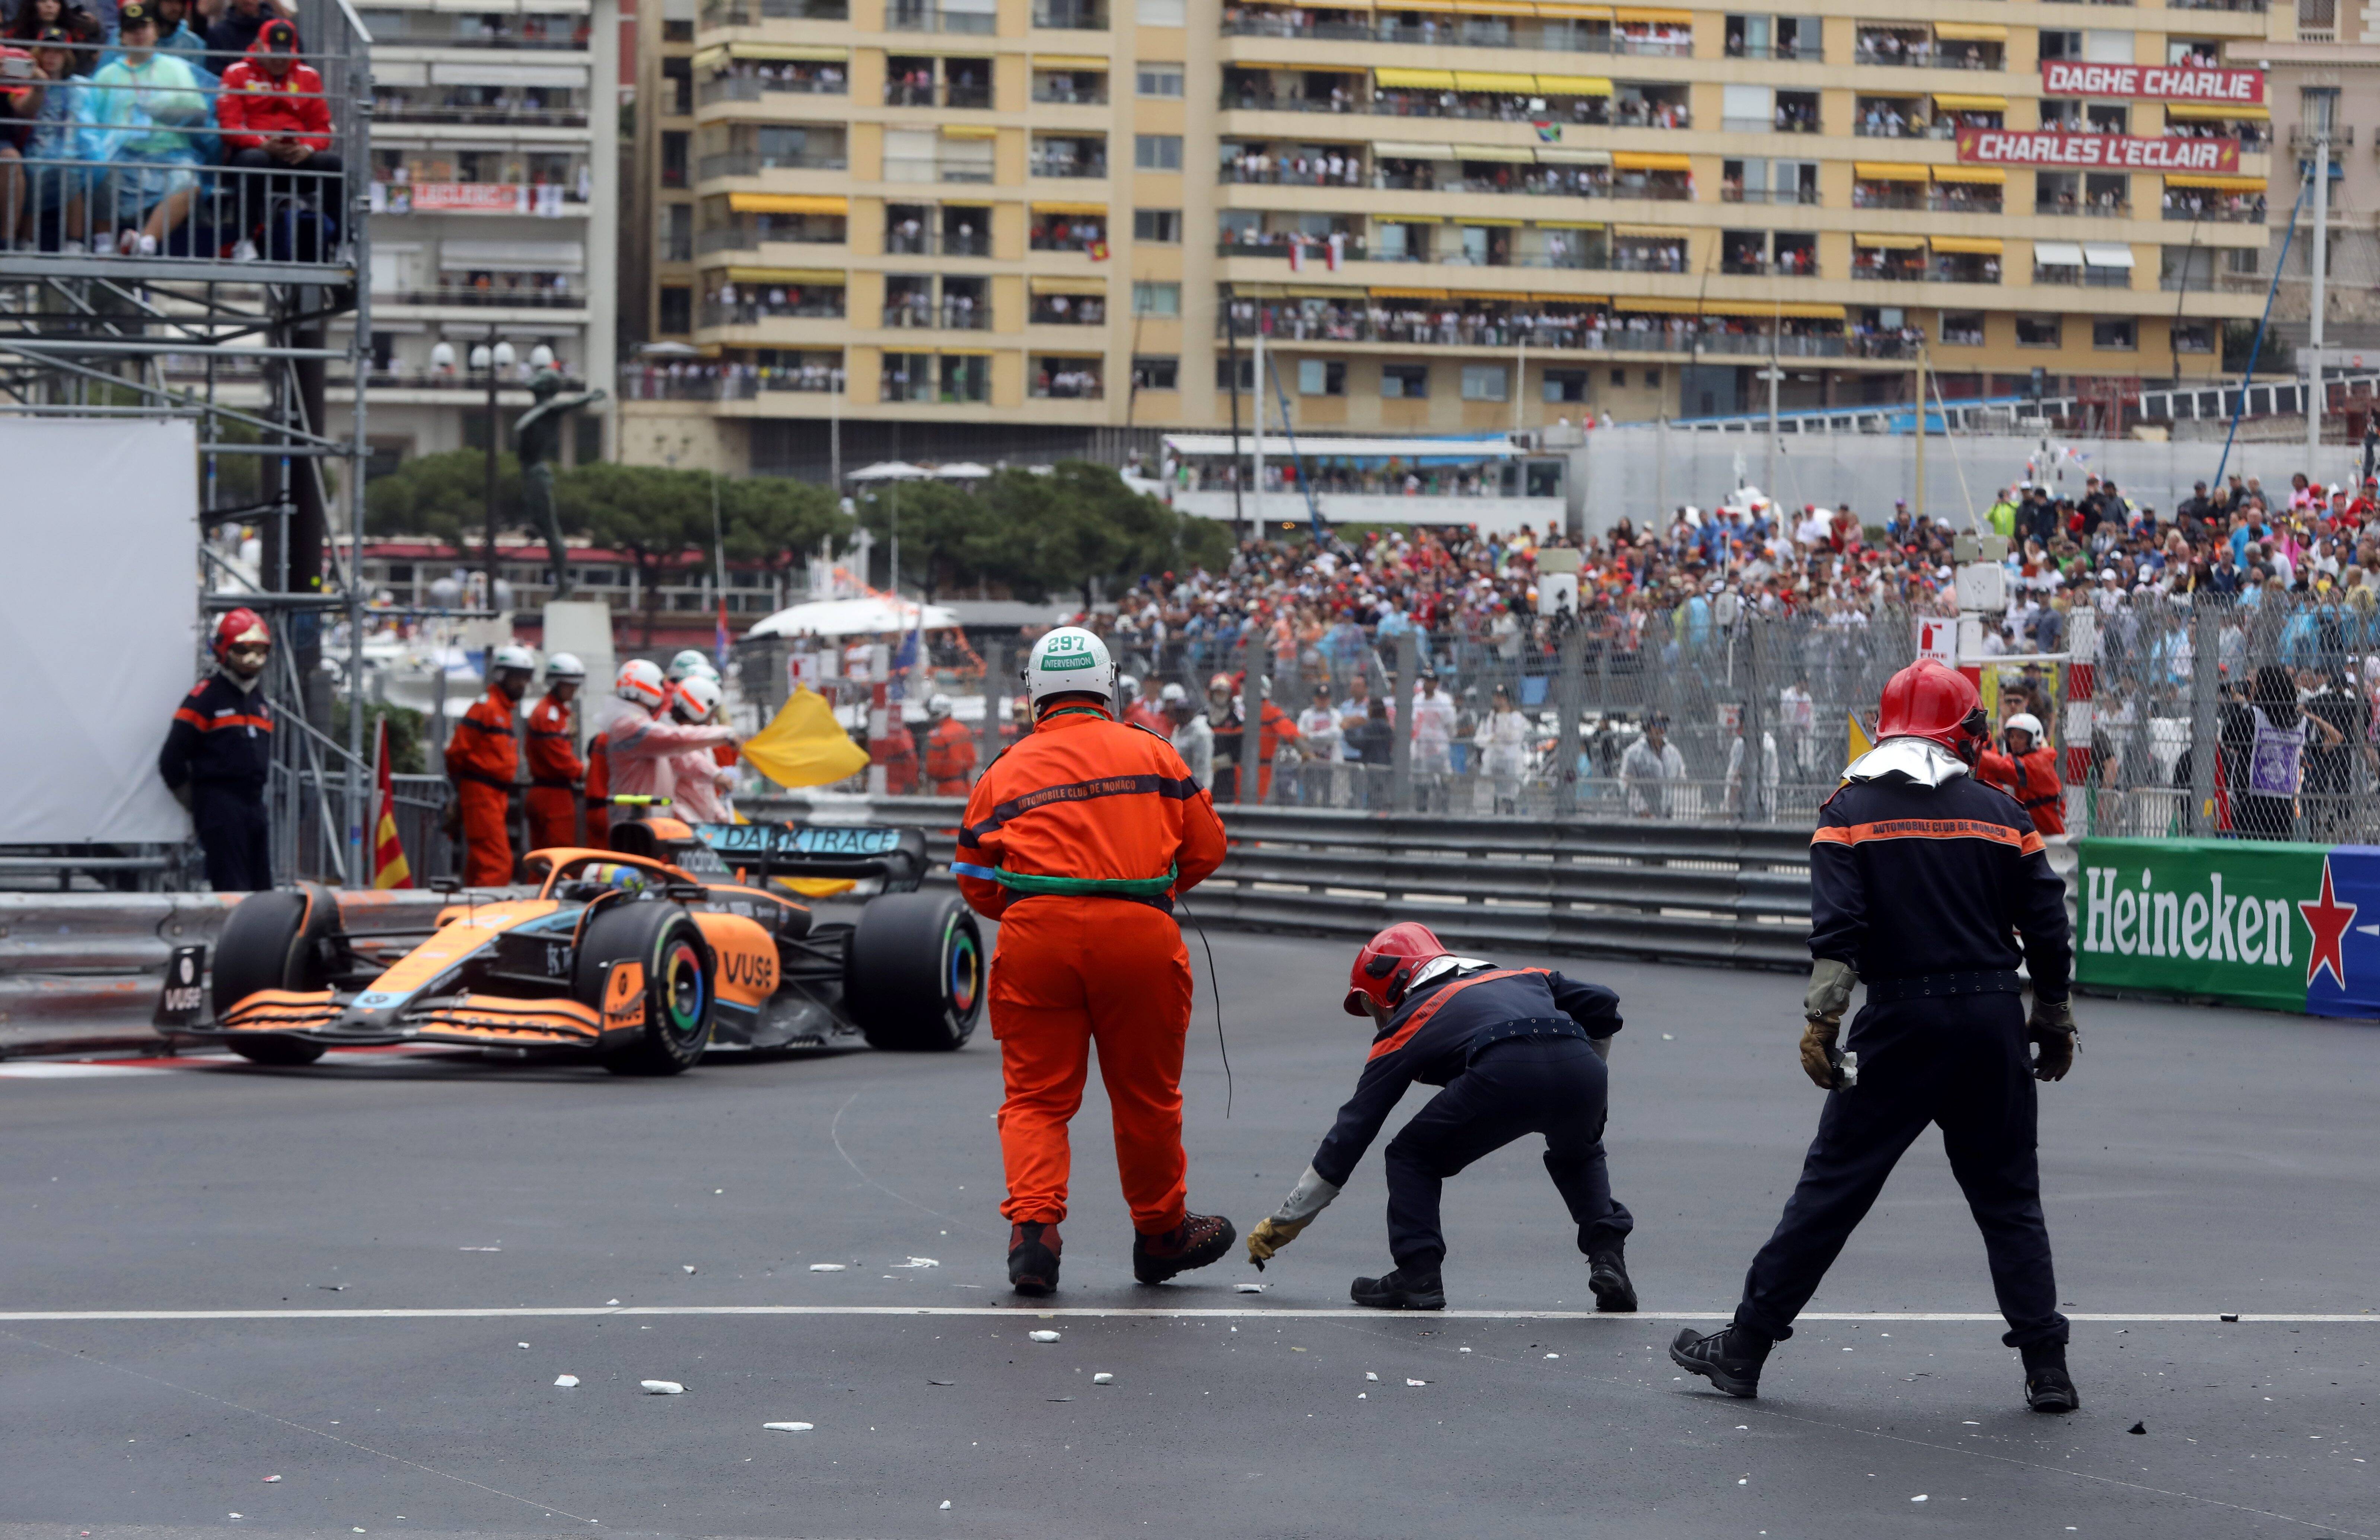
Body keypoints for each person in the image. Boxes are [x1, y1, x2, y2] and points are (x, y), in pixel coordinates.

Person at [1670, 660, 2081, 1414]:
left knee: (1832, 1188)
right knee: (2009, 1197)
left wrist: (1821, 1020)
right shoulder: (2004, 812)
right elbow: (2048, 926)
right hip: (1990, 1019)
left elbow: (1839, 932)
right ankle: (2046, 1366)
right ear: (1959, 731)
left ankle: (1745, 1347)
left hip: (1899, 1021)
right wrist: (2051, 1012)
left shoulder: (1848, 810)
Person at [954, 627, 1234, 1296]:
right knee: (1146, 1097)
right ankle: (1161, 1233)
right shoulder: (1154, 752)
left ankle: (1034, 1236)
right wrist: (1143, 886)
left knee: (1035, 1099)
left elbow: (974, 876)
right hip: (1139, 933)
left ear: (1034, 693)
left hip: (1035, 938)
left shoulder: (1003, 771)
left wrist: (1039, 907)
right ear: (1108, 686)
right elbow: (1207, 848)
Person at [1243, 922, 1635, 1313]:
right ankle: (1608, 1260)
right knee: (1579, 1153)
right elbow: (1604, 1003)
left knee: (1411, 1156)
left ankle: (1419, 1274)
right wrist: (1585, 1073)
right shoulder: (1525, 976)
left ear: (1393, 983)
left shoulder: (1413, 1018)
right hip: (1581, 1067)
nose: (1379, 1018)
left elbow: (1353, 1130)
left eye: (1373, 1006)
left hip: (1504, 1068)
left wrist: (1286, 1221)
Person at [158, 607, 275, 891]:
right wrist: (201, 803)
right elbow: (171, 760)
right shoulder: (205, 698)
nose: (252, 660)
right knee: (232, 886)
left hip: (254, 803)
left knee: (262, 887)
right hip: (220, 804)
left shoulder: (259, 702)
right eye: (243, 650)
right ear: (224, 650)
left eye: (260, 651)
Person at [82, 2, 208, 255]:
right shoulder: (107, 75)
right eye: (131, 29)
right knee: (97, 170)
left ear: (155, 32)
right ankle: (103, 242)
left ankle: (146, 241)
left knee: (188, 182)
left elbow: (199, 114)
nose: (138, 34)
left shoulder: (177, 69)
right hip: (121, 154)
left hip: (170, 153)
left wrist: (166, 112)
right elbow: (91, 123)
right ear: (122, 37)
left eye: (144, 27)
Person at [216, 17, 337, 243]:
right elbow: (229, 126)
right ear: (259, 47)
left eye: (285, 54)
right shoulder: (236, 73)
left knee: (333, 165)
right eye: (274, 53)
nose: (280, 60)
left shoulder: (309, 76)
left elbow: (322, 127)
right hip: (255, 155)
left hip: (297, 157)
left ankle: (342, 242)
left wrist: (308, 148)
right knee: (254, 160)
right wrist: (262, 143)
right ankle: (245, 241)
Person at [445, 643, 533, 887]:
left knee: (481, 860)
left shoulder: (501, 710)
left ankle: (473, 902)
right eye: (517, 678)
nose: (523, 684)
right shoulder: (486, 708)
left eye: (525, 678)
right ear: (502, 676)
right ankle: (488, 907)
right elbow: (457, 751)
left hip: (492, 794)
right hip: (481, 793)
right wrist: (461, 788)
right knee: (497, 862)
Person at [598, 657, 735, 815]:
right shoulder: (631, 725)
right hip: (636, 819)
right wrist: (725, 734)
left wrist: (714, 774)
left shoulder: (633, 722)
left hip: (646, 817)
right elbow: (677, 740)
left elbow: (679, 756)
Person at [522, 651, 586, 851]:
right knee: (559, 853)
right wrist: (584, 772)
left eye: (576, 684)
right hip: (553, 796)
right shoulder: (548, 715)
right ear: (555, 683)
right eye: (569, 685)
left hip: (549, 793)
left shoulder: (555, 713)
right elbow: (559, 758)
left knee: (543, 856)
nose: (574, 689)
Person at [1975, 711, 2065, 836]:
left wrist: (1976, 752)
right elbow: (1994, 774)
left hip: (2055, 833)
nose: (2014, 741)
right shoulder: (2026, 761)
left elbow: (2005, 768)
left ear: (2034, 739)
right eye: (2012, 737)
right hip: (2041, 832)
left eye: (2020, 737)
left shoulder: (2040, 762)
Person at [664, 674, 735, 823]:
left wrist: (720, 816)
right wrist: (695, 826)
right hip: (681, 828)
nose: (714, 717)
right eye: (713, 711)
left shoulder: (703, 746)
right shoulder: (671, 742)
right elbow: (672, 800)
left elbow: (705, 792)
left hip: (701, 827)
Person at [1473, 683, 1529, 814]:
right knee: (1492, 796)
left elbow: (1515, 737)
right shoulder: (1489, 717)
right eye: (1496, 697)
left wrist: (1502, 730)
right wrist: (1491, 739)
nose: (1498, 700)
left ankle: (1510, 817)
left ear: (1507, 699)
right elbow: (1478, 739)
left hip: (1510, 762)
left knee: (1509, 795)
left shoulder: (1516, 717)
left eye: (1502, 697)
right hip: (1493, 761)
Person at [1619, 712, 1685, 817]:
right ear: (1648, 727)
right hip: (1642, 817)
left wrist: (1678, 808)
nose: (1661, 729)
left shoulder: (1673, 753)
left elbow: (1681, 781)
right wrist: (1642, 809)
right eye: (1657, 725)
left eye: (1664, 725)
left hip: (1668, 815)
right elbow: (1628, 784)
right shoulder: (1634, 753)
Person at [922, 691, 976, 795]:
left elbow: (933, 769)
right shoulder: (963, 730)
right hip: (966, 786)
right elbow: (972, 760)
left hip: (946, 788)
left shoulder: (939, 736)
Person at [1163, 680, 1212, 788]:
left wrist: (1200, 790)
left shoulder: (1201, 732)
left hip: (1197, 786)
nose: (1181, 715)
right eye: (1179, 712)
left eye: (1184, 712)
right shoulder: (1178, 729)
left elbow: (1202, 767)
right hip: (1181, 784)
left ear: (1191, 712)